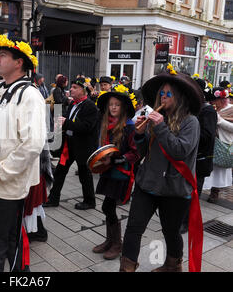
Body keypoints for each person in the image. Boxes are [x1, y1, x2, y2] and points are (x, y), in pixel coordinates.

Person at [120, 66, 204, 272]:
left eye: (168, 94)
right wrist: (139, 134)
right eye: (162, 94)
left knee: (171, 231)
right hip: (147, 183)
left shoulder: (190, 122)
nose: (163, 98)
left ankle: (173, 265)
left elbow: (179, 151)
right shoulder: (158, 118)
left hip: (174, 188)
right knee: (133, 229)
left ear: (179, 98)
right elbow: (143, 151)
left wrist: (159, 127)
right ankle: (126, 268)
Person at [0, 33, 46, 272]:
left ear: (19, 63)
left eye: (2, 55)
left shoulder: (29, 95)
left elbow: (33, 144)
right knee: (9, 238)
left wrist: (1, 171)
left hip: (9, 180)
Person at [92, 85, 139, 260]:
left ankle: (116, 244)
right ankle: (110, 241)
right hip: (108, 172)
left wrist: (114, 160)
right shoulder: (106, 125)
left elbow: (135, 154)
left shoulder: (129, 127)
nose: (113, 107)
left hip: (121, 174)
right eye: (111, 104)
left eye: (117, 105)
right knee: (107, 207)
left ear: (123, 108)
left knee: (108, 206)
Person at [44, 78, 100, 210]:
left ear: (83, 90)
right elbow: (69, 122)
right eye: (72, 87)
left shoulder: (90, 106)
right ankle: (53, 199)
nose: (71, 89)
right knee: (59, 172)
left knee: (84, 174)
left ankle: (89, 201)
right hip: (69, 145)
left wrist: (67, 122)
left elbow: (87, 127)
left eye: (75, 87)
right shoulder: (73, 103)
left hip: (83, 146)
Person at [180, 78, 217, 233]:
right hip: (187, 159)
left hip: (200, 160)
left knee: (193, 193)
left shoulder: (207, 110)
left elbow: (207, 136)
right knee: (184, 191)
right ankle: (181, 219)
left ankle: (187, 222)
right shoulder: (190, 109)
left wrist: (189, 133)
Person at [203, 86, 233, 203]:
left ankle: (215, 191)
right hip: (212, 142)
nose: (212, 103)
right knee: (210, 168)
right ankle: (204, 188)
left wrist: (220, 121)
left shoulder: (231, 110)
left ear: (222, 100)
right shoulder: (212, 109)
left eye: (214, 100)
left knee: (219, 169)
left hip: (224, 144)